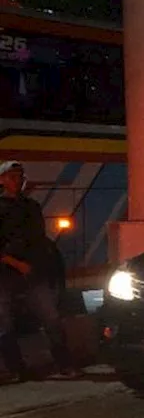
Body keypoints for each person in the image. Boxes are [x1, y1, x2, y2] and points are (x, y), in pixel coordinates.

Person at [0, 161, 76, 381]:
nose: (17, 181)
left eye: (19, 177)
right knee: (4, 322)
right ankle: (16, 369)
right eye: (12, 177)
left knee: (51, 317)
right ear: (3, 180)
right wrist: (17, 264)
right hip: (6, 273)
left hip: (34, 271)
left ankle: (65, 364)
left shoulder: (31, 206)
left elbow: (39, 239)